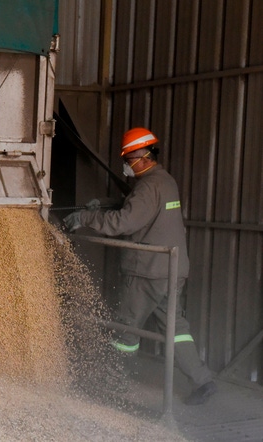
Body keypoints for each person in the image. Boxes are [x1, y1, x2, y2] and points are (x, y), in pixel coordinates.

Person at [63, 127, 216, 406]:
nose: (125, 163)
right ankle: (202, 380)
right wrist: (105, 203)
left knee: (125, 328)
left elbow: (125, 222)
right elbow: (135, 206)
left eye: (129, 157)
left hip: (146, 270)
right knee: (176, 328)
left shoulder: (147, 186)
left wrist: (87, 217)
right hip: (172, 269)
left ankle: (111, 384)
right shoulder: (164, 181)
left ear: (145, 156)